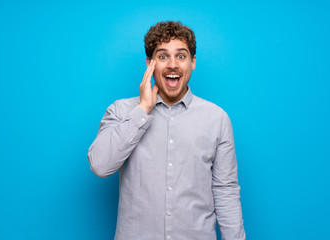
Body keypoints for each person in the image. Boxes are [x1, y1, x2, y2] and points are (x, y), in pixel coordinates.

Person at [88, 21, 246, 240]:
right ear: (149, 63)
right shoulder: (121, 111)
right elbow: (100, 165)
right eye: (163, 56)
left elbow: (225, 191)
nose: (172, 65)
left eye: (181, 56)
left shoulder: (217, 119)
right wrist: (142, 111)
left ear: (193, 62)